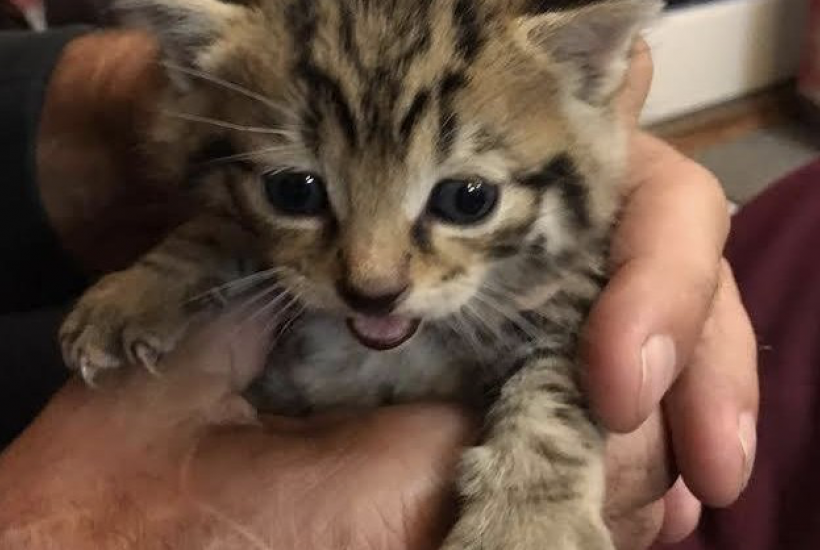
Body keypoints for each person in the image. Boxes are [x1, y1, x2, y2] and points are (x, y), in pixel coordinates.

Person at [0, 26, 758, 549]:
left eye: (465, 199)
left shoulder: (536, 269)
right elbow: (223, 219)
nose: (373, 276)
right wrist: (175, 270)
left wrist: (540, 489)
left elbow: (561, 354)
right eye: (299, 189)